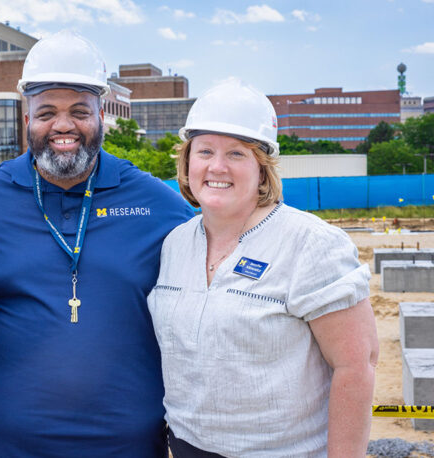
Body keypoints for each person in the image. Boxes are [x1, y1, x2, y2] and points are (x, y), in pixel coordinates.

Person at [0, 30, 194, 457]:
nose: (63, 125)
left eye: (79, 111)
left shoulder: (159, 207)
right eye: (47, 111)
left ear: (101, 116)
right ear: (27, 119)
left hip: (130, 449)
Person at [147, 79, 379, 457]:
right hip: (189, 447)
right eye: (204, 151)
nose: (216, 166)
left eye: (236, 154)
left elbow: (356, 365)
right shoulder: (175, 245)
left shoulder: (309, 243)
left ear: (263, 168)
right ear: (187, 161)